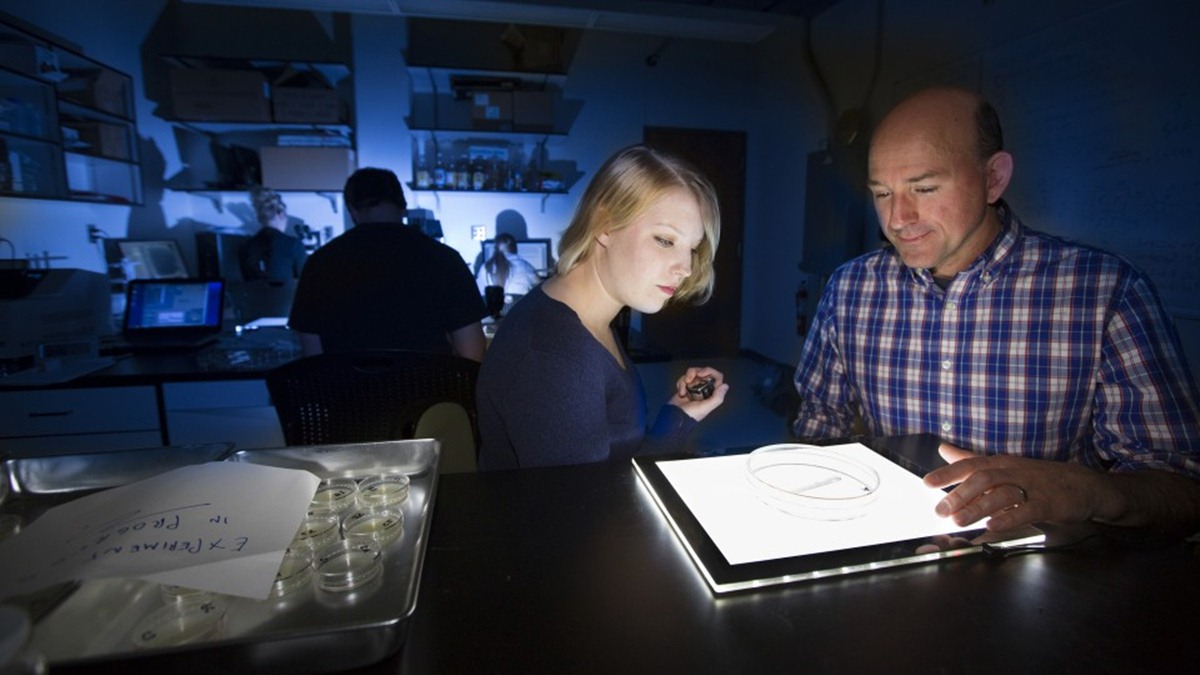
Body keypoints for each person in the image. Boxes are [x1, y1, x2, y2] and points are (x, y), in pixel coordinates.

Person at [793, 87, 1200, 536]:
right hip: (891, 558)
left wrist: (1088, 490)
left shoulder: (1106, 292)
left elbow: (1181, 485)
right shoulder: (850, 288)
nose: (897, 218)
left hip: (1048, 576)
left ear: (993, 178)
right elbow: (818, 430)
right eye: (882, 193)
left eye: (924, 188)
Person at [476, 144, 729, 470]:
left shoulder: (588, 319)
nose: (686, 268)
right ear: (605, 225)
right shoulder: (554, 357)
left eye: (691, 249)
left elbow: (616, 467)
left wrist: (679, 414)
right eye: (665, 240)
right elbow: (586, 513)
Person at [288, 167, 486, 360]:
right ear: (403, 206)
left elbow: (313, 357)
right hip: (428, 391)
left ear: (352, 210)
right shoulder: (445, 259)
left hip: (347, 391)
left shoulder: (320, 263)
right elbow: (472, 354)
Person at [238, 186, 307, 281]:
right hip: (288, 296)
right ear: (281, 214)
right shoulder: (294, 245)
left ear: (260, 218)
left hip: (255, 296)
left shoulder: (246, 246)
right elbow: (305, 283)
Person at [475, 232, 543, 298]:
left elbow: (479, 292)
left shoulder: (485, 267)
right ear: (515, 248)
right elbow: (542, 287)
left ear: (495, 248)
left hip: (493, 309)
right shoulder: (524, 266)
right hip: (519, 309)